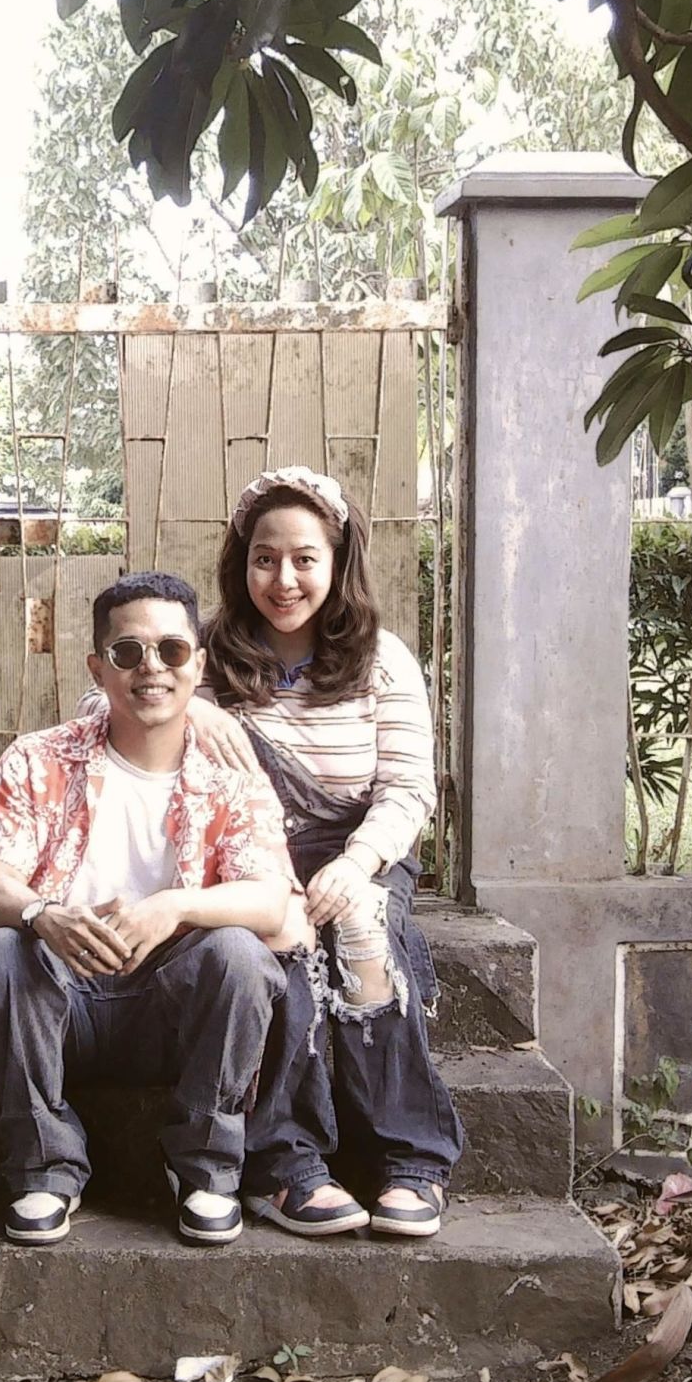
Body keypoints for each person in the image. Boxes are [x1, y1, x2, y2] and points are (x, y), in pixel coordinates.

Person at [0, 572, 341, 1247]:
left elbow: (271, 898)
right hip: (62, 1005)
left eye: (171, 650)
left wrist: (174, 907)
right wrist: (44, 914)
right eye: (127, 653)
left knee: (239, 953)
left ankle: (206, 1170)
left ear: (198, 665)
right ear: (98, 669)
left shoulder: (232, 778)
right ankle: (43, 1169)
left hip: (174, 1012)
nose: (151, 668)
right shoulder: (38, 759)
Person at [190, 465, 462, 1239]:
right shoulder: (204, 655)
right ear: (241, 565)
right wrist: (194, 715)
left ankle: (410, 1158)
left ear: (338, 563)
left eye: (304, 559)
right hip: (250, 855)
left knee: (364, 929)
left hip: (359, 850)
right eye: (264, 559)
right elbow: (110, 701)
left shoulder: (382, 659)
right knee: (279, 943)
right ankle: (285, 1165)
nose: (283, 580)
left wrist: (355, 864)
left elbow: (408, 789)